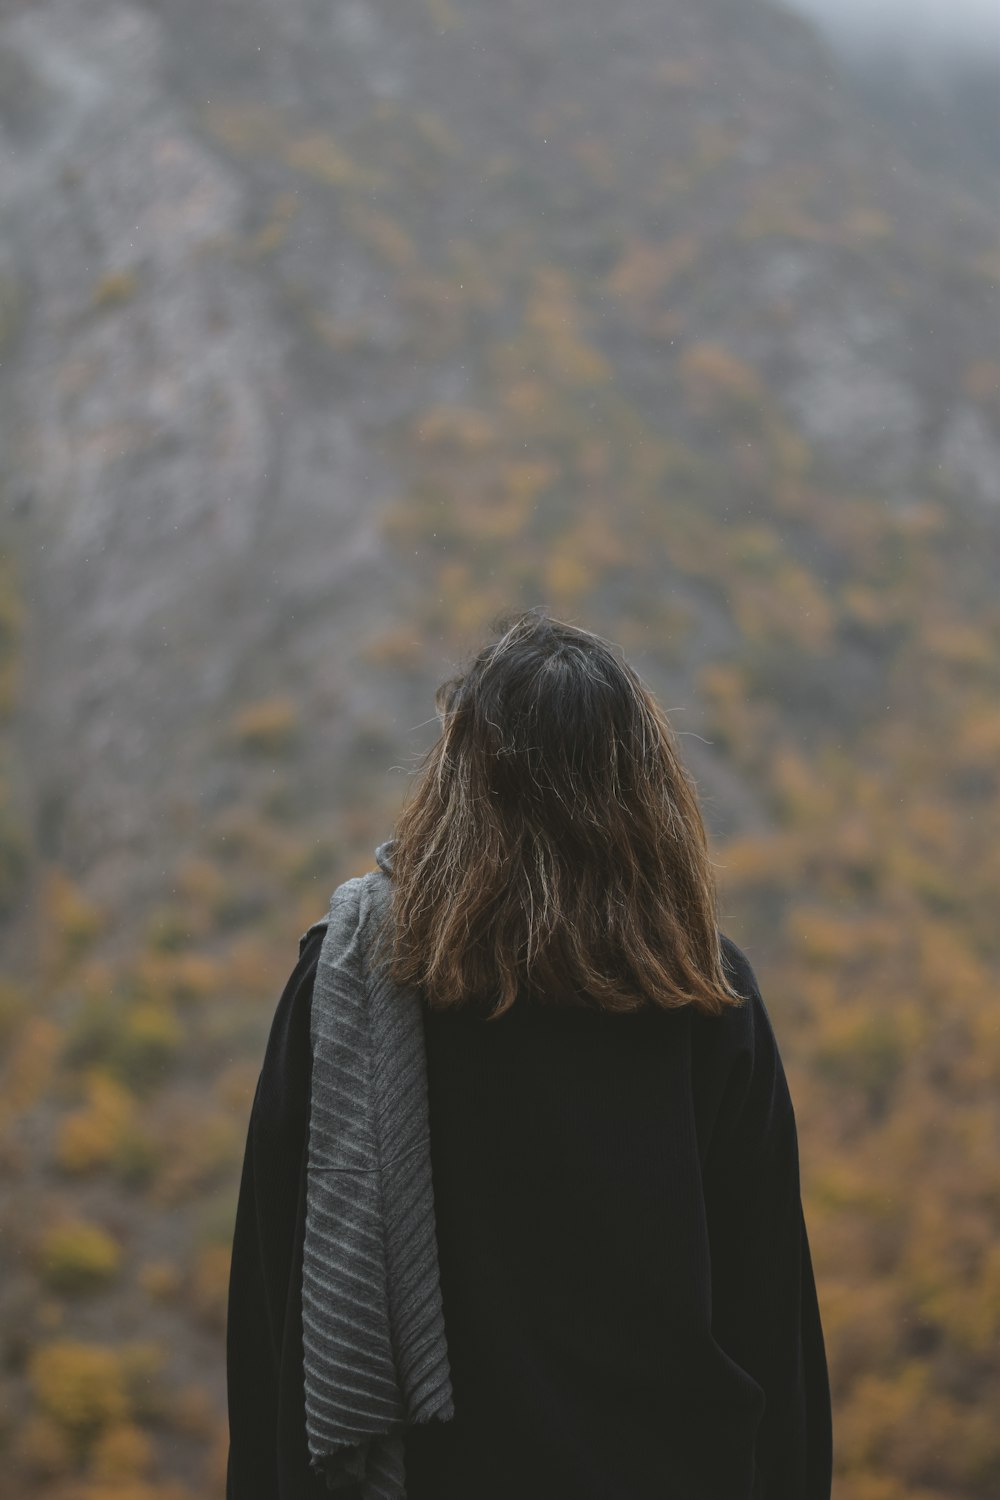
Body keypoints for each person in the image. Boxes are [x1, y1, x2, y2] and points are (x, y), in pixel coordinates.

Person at [226, 606, 833, 1499]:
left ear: (458, 781)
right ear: (647, 791)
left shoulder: (356, 980)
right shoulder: (705, 993)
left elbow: (273, 1307)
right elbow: (776, 1338)